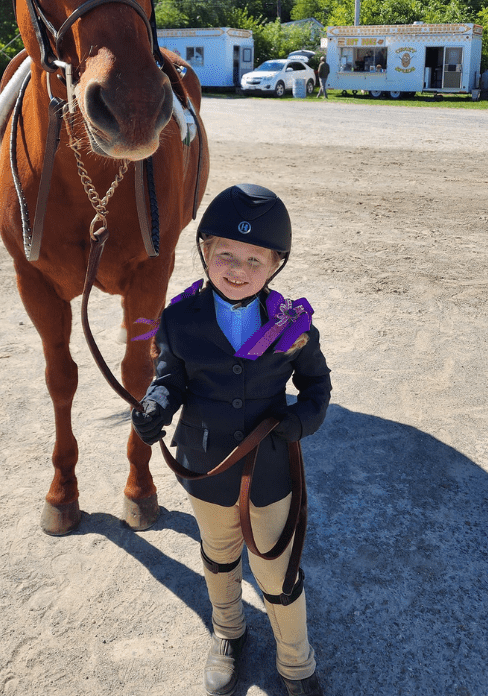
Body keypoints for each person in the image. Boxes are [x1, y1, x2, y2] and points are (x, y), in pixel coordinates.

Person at [132, 184, 331, 696]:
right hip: (206, 467)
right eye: (224, 254)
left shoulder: (292, 323)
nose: (237, 269)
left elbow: (317, 387)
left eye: (253, 259)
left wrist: (298, 421)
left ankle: (296, 662)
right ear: (203, 251)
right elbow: (169, 379)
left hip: (268, 471)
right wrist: (155, 405)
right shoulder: (178, 318)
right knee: (218, 555)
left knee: (276, 572)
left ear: (276, 264)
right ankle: (228, 633)